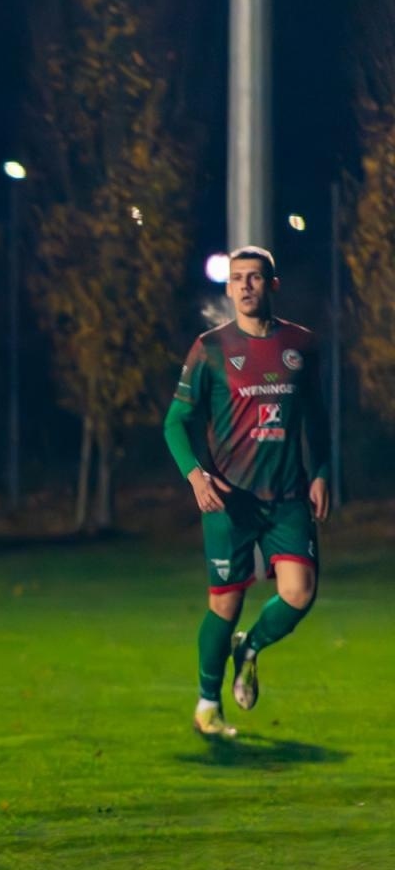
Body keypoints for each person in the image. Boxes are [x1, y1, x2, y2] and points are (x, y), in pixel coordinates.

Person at [163, 246, 328, 738]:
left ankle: (249, 648)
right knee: (223, 605)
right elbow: (176, 422)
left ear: (271, 285)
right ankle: (208, 706)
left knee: (299, 594)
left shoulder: (301, 344)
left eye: (255, 278)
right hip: (230, 501)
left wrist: (320, 471)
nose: (246, 286)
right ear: (230, 288)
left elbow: (316, 419)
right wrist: (195, 475)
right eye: (237, 279)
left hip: (287, 497)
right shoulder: (210, 348)